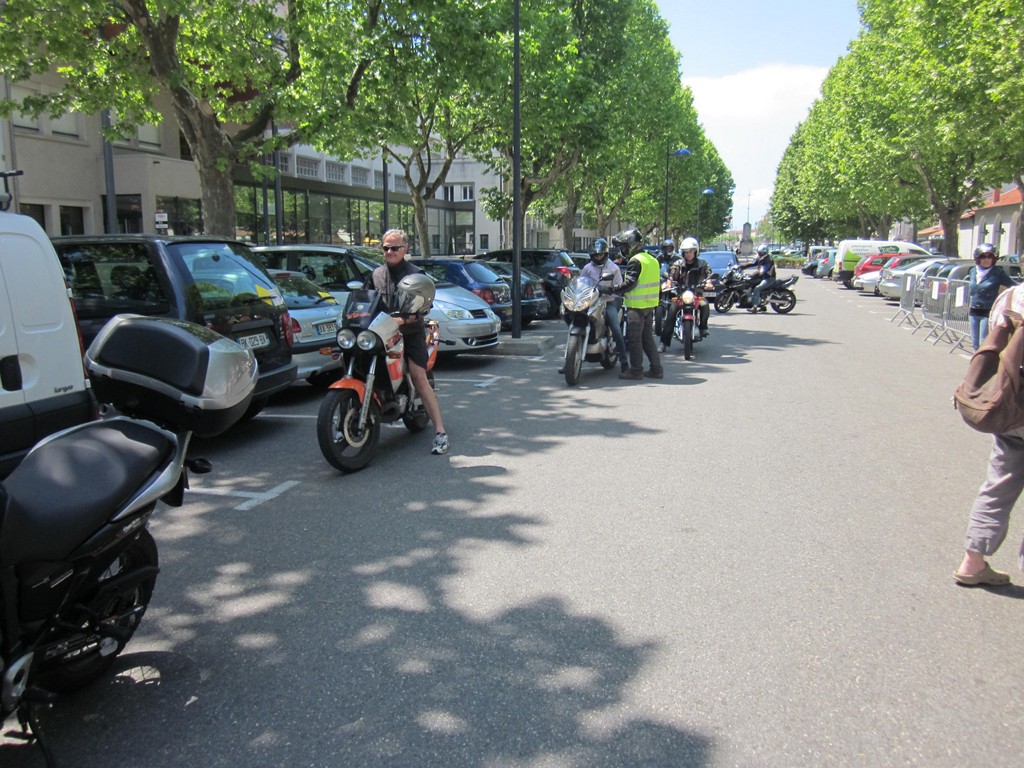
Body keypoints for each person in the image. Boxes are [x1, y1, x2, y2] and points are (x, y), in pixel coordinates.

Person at [954, 282, 1024, 586]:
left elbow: (990, 347)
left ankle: (972, 562)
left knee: (998, 485)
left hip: (1008, 407)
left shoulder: (1011, 296)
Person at [371, 229, 448, 455]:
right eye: (386, 247)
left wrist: (404, 319)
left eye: (394, 248)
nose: (390, 251)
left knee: (418, 376)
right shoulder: (376, 274)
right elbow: (366, 300)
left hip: (410, 332)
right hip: (382, 331)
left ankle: (440, 432)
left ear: (405, 249)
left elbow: (425, 307)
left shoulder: (416, 274)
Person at [606, 228, 662, 380]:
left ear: (632, 245)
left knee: (634, 340)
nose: (623, 250)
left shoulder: (635, 261)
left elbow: (630, 283)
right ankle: (656, 369)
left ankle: (636, 370)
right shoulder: (652, 259)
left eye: (624, 246)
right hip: (649, 305)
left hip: (636, 307)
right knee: (647, 339)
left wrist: (612, 289)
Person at [579, 238, 628, 372]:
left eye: (600, 255)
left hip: (609, 300)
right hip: (591, 300)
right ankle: (569, 361)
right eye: (595, 255)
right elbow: (581, 282)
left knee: (615, 328)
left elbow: (619, 287)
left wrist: (610, 289)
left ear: (605, 254)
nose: (598, 257)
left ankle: (624, 361)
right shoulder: (587, 268)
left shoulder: (614, 268)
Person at [659, 236, 712, 352]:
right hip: (681, 294)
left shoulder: (702, 264)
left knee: (705, 305)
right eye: (686, 252)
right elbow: (672, 275)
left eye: (691, 251)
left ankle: (703, 328)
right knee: (671, 313)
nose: (688, 254)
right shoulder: (678, 264)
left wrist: (708, 283)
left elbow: (708, 274)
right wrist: (669, 283)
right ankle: (663, 343)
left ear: (695, 252)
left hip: (697, 294)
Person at [967, 242, 1015, 351]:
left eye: (989, 256)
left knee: (983, 342)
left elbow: (1013, 286)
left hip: (987, 312)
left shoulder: (998, 273)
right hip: (973, 312)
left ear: (994, 258)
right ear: (978, 258)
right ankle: (976, 361)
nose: (986, 259)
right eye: (983, 256)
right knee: (975, 343)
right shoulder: (973, 271)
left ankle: (984, 362)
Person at [747, 243, 777, 312]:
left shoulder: (768, 260)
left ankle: (754, 307)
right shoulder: (762, 258)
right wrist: (741, 267)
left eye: (761, 253)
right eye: (759, 253)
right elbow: (754, 263)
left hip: (769, 278)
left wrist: (753, 274)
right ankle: (762, 305)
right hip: (763, 278)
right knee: (752, 285)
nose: (759, 254)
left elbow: (763, 271)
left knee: (757, 288)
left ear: (765, 253)